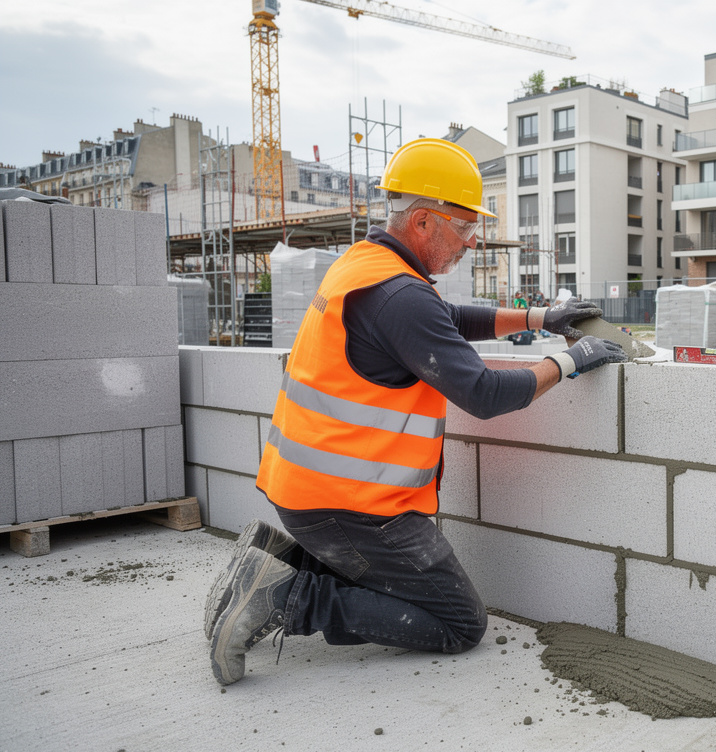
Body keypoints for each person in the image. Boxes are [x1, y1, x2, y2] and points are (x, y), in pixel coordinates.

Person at [204, 138, 626, 686]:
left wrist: (540, 316)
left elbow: (446, 316)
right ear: (425, 221)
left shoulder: (366, 267)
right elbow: (483, 393)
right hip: (351, 507)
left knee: (414, 593)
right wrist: (570, 360)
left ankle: (277, 562)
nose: (471, 244)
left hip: (307, 492)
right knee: (457, 622)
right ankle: (289, 597)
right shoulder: (399, 296)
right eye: (464, 228)